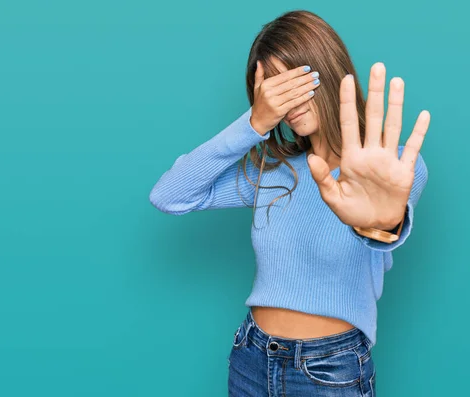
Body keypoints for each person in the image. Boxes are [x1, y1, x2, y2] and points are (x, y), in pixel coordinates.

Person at [149, 9, 430, 397]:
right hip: (251, 356)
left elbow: (387, 222)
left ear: (326, 69)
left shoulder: (393, 167)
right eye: (273, 91)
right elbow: (169, 195)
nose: (287, 103)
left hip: (329, 370)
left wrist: (380, 223)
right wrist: (253, 123)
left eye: (295, 83)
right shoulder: (273, 171)